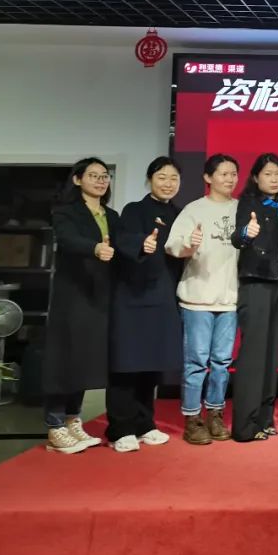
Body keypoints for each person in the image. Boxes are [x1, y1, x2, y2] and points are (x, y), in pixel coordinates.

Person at [106, 156, 185, 453]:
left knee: (151, 364)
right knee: (126, 364)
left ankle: (144, 424)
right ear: (150, 179)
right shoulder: (134, 210)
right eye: (162, 177)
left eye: (174, 178)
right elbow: (124, 239)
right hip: (133, 298)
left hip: (163, 297)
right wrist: (142, 243)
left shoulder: (179, 214)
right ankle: (120, 428)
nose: (168, 183)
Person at [44, 157, 118, 454]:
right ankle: (55, 425)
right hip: (72, 295)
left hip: (99, 295)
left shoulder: (111, 215)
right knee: (64, 358)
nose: (101, 181)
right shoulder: (65, 212)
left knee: (85, 359)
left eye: (104, 176)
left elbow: (121, 246)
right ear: (77, 180)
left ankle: (73, 418)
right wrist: (94, 247)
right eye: (93, 175)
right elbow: (67, 239)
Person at [165, 154, 240, 446]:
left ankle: (215, 414)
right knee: (196, 362)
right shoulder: (194, 210)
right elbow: (173, 246)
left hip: (230, 300)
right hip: (197, 300)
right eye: (223, 174)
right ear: (208, 178)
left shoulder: (242, 209)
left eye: (233, 174)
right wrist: (189, 245)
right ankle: (192, 418)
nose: (230, 179)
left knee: (222, 362)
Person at [230, 153, 278, 442]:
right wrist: (247, 233)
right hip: (256, 281)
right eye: (268, 174)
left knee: (271, 353)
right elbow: (238, 238)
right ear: (255, 177)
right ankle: (244, 425)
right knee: (253, 354)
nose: (274, 179)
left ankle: (264, 419)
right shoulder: (249, 203)